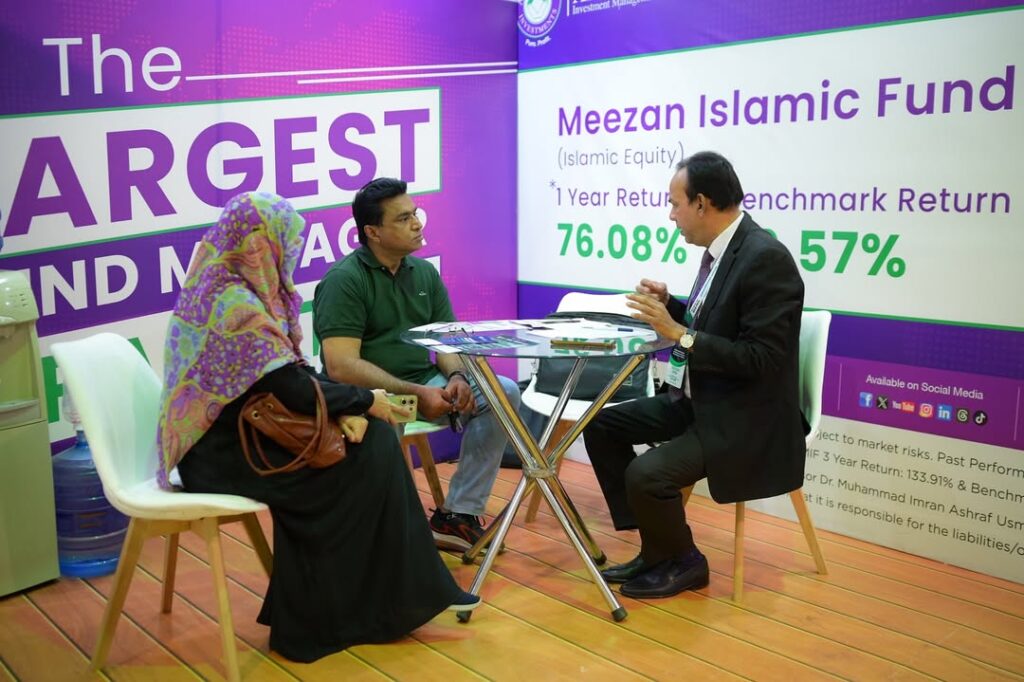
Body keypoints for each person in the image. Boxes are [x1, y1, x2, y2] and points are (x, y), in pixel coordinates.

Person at [156, 191, 479, 663]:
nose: (289, 254)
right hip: (218, 454)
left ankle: (385, 603)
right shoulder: (232, 304)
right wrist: (365, 402)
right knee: (357, 460)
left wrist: (348, 410)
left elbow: (287, 377)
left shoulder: (235, 287)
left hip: (246, 435)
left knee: (371, 446)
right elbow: (288, 386)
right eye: (284, 242)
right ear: (259, 243)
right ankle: (329, 621)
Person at [583, 152, 806, 599]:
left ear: (702, 203)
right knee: (601, 425)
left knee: (647, 474)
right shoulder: (723, 252)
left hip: (745, 416)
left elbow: (760, 359)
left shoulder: (765, 258)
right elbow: (716, 327)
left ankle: (685, 561)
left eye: (675, 203)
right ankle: (659, 546)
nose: (671, 215)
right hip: (701, 398)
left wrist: (679, 333)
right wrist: (672, 308)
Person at [313, 177, 520, 551]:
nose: (417, 224)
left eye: (415, 214)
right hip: (369, 396)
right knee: (384, 417)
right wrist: (416, 392)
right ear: (373, 232)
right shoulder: (344, 281)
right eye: (403, 218)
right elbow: (341, 366)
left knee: (501, 393)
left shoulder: (423, 273)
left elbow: (446, 342)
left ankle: (457, 515)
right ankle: (387, 531)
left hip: (422, 384)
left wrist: (457, 375)